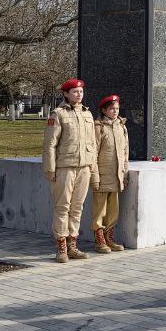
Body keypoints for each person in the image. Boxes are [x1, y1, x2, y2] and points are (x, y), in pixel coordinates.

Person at [42, 78, 99, 263]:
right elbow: (50, 144)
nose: (79, 94)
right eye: (75, 91)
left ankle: (73, 245)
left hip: (84, 167)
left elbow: (93, 145)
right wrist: (50, 169)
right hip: (65, 168)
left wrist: (94, 170)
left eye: (81, 91)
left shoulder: (87, 115)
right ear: (66, 94)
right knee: (62, 207)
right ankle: (61, 247)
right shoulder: (58, 114)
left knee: (77, 208)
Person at [92, 94, 129, 253]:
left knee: (113, 209)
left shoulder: (121, 126)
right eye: (112, 109)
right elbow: (93, 152)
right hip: (102, 174)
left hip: (117, 176)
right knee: (100, 209)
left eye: (117, 108)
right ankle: (99, 239)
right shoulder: (98, 127)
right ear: (104, 110)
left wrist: (124, 173)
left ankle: (109, 237)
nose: (115, 111)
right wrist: (94, 176)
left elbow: (125, 152)